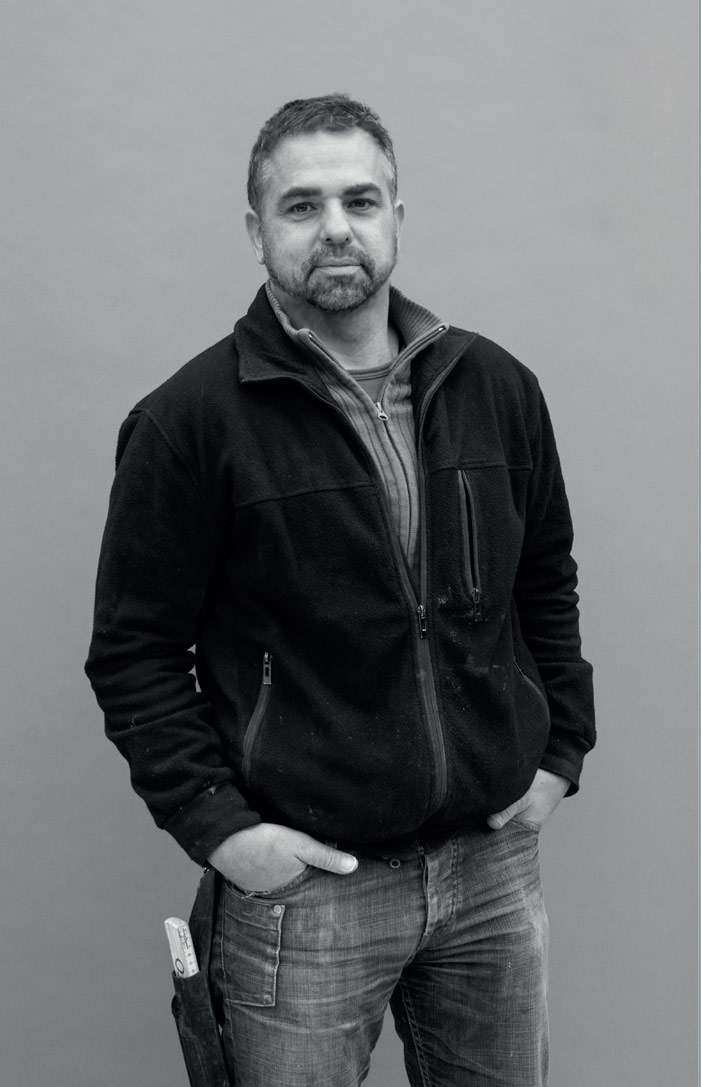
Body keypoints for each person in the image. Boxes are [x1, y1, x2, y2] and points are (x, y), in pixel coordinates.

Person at [86, 94, 595, 1087]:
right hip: (309, 892)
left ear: (396, 216)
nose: (335, 228)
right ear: (256, 231)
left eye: (360, 201)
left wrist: (559, 750)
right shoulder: (189, 423)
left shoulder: (496, 387)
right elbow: (134, 652)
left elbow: (544, 578)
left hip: (488, 868)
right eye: (300, 205)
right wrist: (223, 831)